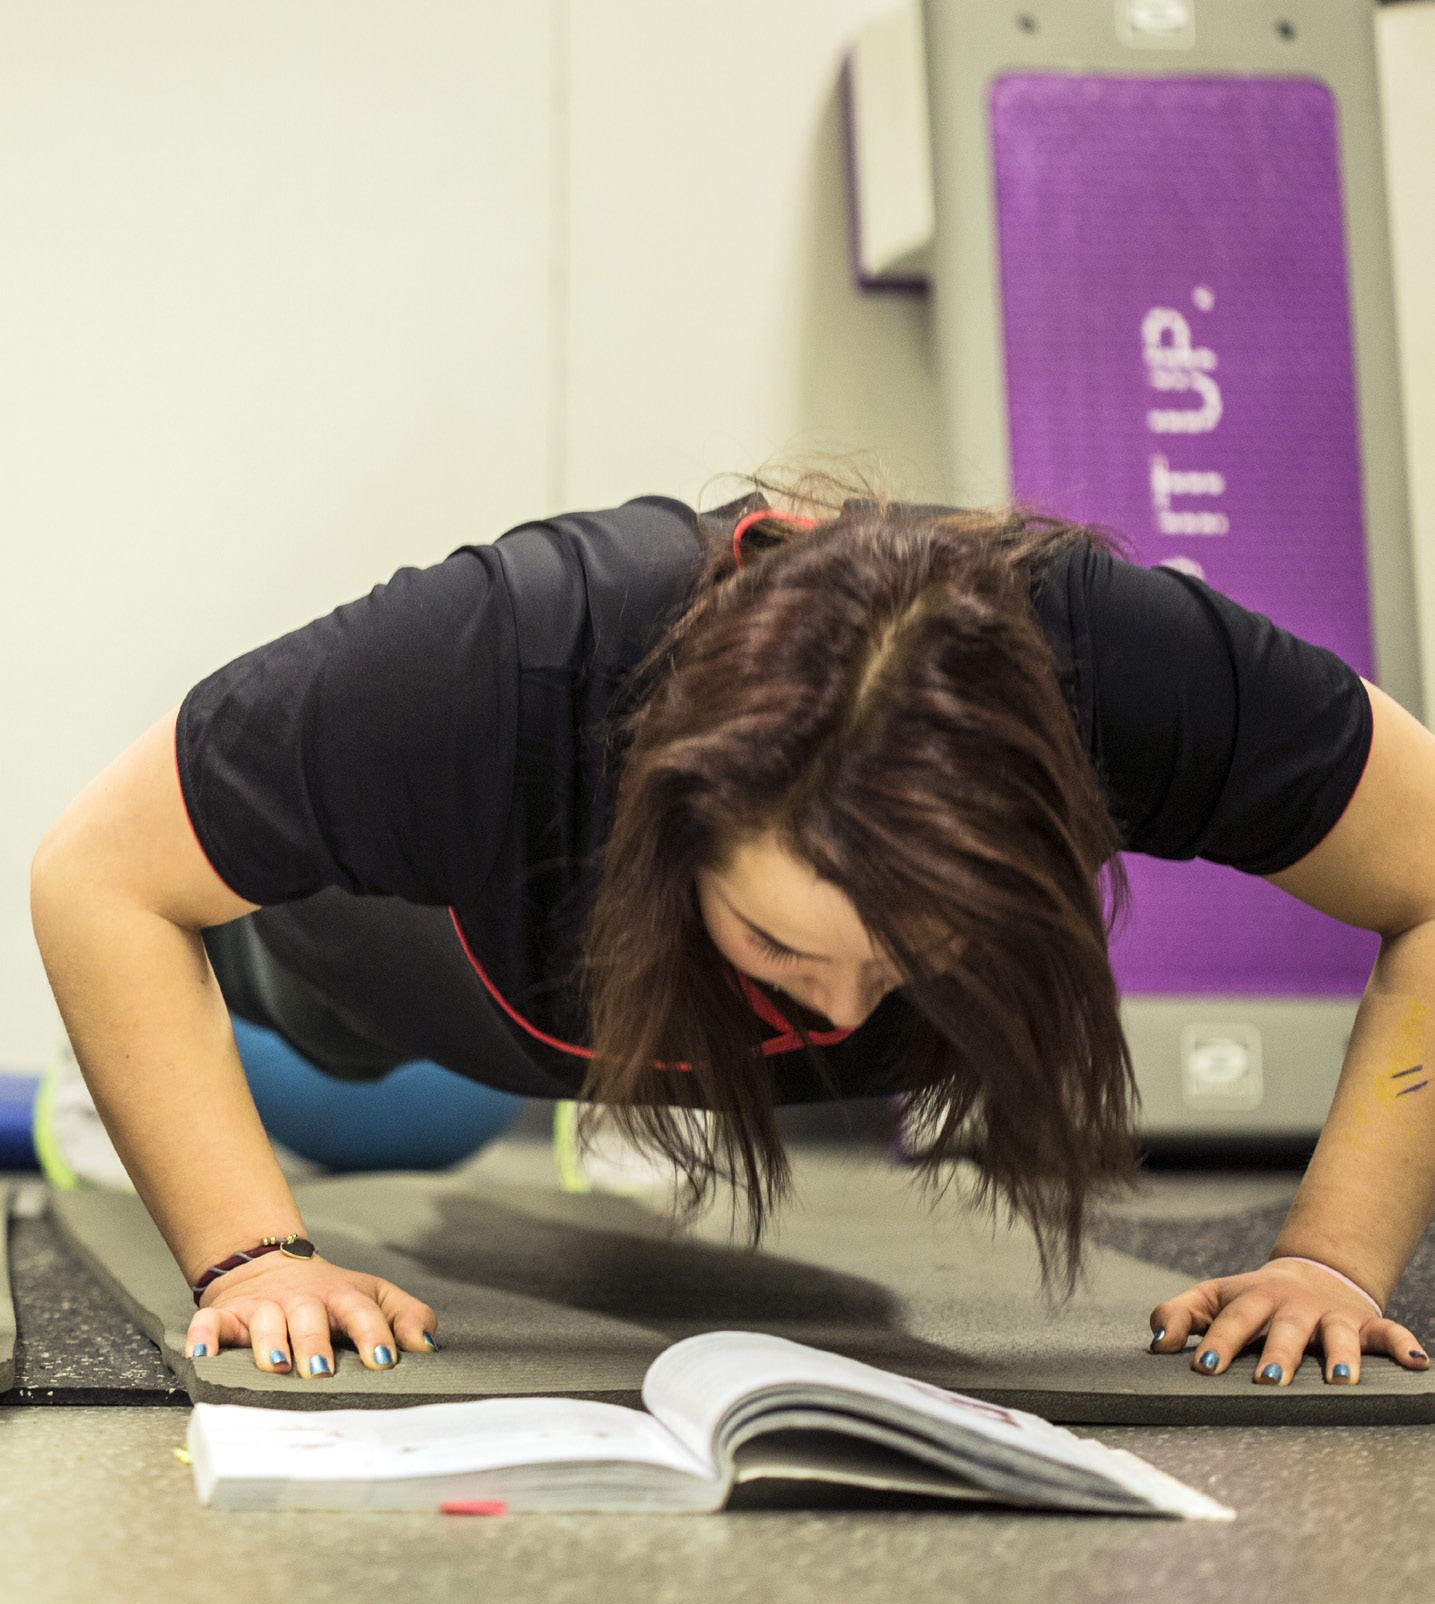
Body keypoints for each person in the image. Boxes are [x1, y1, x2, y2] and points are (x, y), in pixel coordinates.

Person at [29, 477, 1435, 1387]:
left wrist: (1332, 1255)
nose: (842, 1006)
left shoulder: (1127, 673)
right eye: (784, 945)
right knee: (356, 1077)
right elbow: (97, 875)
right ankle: (76, 1102)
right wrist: (248, 1253)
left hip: (667, 1023)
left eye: (912, 949)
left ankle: (681, 1058)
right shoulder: (499, 662)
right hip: (430, 971)